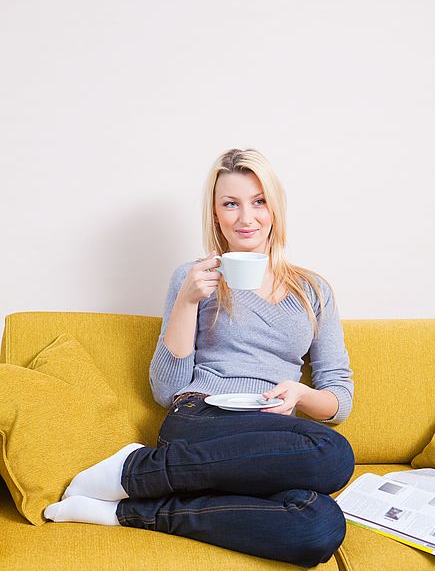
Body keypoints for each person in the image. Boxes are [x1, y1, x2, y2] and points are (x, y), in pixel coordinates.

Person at [44, 148, 355, 568]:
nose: (246, 218)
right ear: (215, 213)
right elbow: (167, 390)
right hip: (202, 420)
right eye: (231, 203)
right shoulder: (194, 278)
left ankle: (129, 504)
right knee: (334, 455)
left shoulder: (314, 290)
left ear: (275, 208)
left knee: (319, 525)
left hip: (268, 440)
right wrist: (188, 301)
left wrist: (301, 395)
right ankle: (135, 472)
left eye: (258, 201)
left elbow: (339, 398)